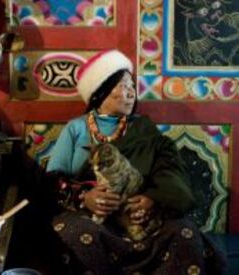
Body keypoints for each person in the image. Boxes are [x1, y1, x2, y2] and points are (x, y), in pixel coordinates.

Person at [44, 49, 226, 275]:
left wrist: (152, 200)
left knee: (183, 232)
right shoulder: (76, 129)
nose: (130, 93)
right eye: (122, 86)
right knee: (72, 234)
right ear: (99, 93)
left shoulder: (144, 130)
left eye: (132, 86)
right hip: (92, 220)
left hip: (140, 219)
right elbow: (50, 182)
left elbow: (169, 174)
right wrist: (85, 197)